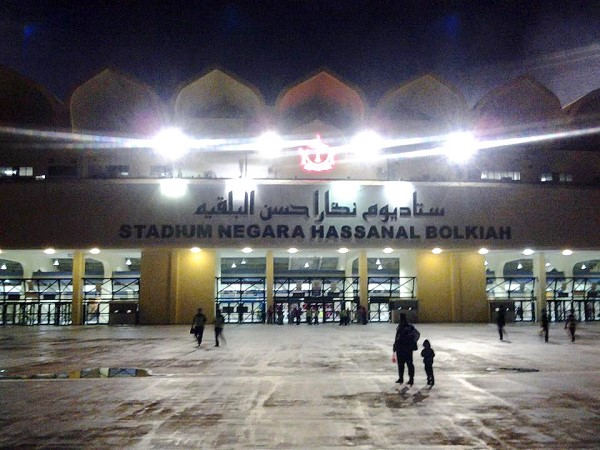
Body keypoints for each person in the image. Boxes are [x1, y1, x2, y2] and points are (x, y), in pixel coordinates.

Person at [392, 313, 420, 385]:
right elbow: (397, 338)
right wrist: (395, 346)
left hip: (406, 348)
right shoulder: (401, 327)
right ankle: (402, 378)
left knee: (408, 364)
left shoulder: (408, 327)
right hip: (402, 348)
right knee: (402, 364)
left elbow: (417, 335)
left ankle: (410, 379)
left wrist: (412, 341)